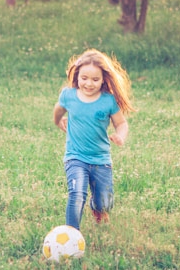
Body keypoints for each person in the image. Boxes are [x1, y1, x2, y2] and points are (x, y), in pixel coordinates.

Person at [52, 49, 136, 230]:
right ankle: (71, 233)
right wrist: (58, 121)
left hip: (100, 159)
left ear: (104, 79)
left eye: (95, 79)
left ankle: (97, 208)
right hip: (75, 157)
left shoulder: (108, 101)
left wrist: (120, 136)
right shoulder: (69, 96)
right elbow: (58, 110)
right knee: (76, 194)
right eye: (84, 78)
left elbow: (121, 124)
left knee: (104, 203)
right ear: (77, 76)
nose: (88, 84)